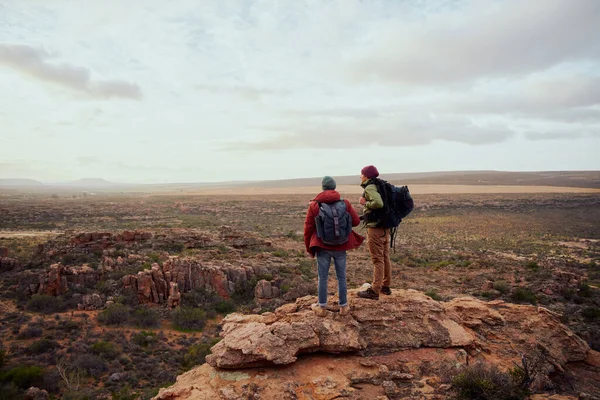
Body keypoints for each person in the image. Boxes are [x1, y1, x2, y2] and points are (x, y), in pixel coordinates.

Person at [304, 176, 364, 316]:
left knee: (323, 277)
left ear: (323, 188)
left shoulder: (314, 206)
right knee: (341, 277)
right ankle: (344, 307)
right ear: (334, 187)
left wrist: (310, 248)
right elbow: (355, 221)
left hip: (323, 246)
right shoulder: (345, 203)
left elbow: (308, 228)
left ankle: (322, 307)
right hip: (341, 246)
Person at [357, 165, 392, 300]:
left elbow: (378, 203)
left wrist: (365, 203)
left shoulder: (370, 187)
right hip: (385, 227)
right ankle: (386, 286)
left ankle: (375, 290)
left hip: (375, 228)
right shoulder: (381, 185)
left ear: (366, 176)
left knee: (377, 259)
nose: (360, 176)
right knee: (385, 257)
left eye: (361, 174)